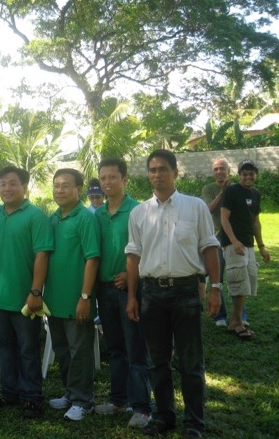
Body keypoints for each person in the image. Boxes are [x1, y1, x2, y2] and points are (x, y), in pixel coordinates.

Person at [125, 149, 221, 438]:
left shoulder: (195, 207)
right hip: (151, 294)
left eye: (163, 169)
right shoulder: (139, 213)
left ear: (175, 172)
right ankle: (164, 416)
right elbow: (133, 256)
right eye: (152, 170)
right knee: (157, 362)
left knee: (191, 363)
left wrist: (215, 288)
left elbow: (209, 247)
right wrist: (132, 296)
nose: (157, 174)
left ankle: (194, 423)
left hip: (186, 292)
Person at [0, 166, 53, 419]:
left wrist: (36, 291)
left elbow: (42, 255)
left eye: (12, 183)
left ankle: (32, 397)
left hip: (26, 299)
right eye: (3, 184)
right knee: (3, 347)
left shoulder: (36, 216)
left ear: (24, 187)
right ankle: (8, 392)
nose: (7, 188)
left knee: (28, 348)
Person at [93, 158, 152, 428]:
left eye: (113, 177)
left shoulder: (138, 211)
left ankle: (142, 407)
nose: (107, 182)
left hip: (130, 289)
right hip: (104, 290)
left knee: (136, 348)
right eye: (103, 178)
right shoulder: (97, 214)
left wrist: (131, 277)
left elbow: (148, 249)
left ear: (124, 179)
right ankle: (118, 399)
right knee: (115, 348)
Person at [44, 168, 101, 422]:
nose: (60, 190)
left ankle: (83, 401)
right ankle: (70, 393)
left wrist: (85, 297)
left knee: (80, 352)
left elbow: (92, 258)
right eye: (56, 185)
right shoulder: (54, 218)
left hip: (77, 300)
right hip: (54, 300)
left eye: (66, 185)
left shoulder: (85, 218)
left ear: (78, 189)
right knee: (63, 350)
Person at [220, 159, 271, 339]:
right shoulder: (232, 191)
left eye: (251, 173)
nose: (248, 176)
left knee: (247, 282)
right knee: (238, 283)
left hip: (249, 245)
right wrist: (234, 241)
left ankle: (236, 320)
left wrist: (261, 247)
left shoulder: (256, 194)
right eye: (244, 173)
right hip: (233, 244)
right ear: (239, 174)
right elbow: (224, 218)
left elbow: (256, 222)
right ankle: (237, 322)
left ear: (256, 174)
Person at [201, 158, 247, 327]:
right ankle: (219, 315)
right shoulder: (208, 189)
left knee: (238, 276)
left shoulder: (237, 188)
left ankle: (240, 315)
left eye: (222, 168)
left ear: (229, 170)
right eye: (216, 169)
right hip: (216, 239)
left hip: (234, 238)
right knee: (217, 276)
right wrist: (222, 193)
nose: (219, 172)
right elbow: (208, 209)